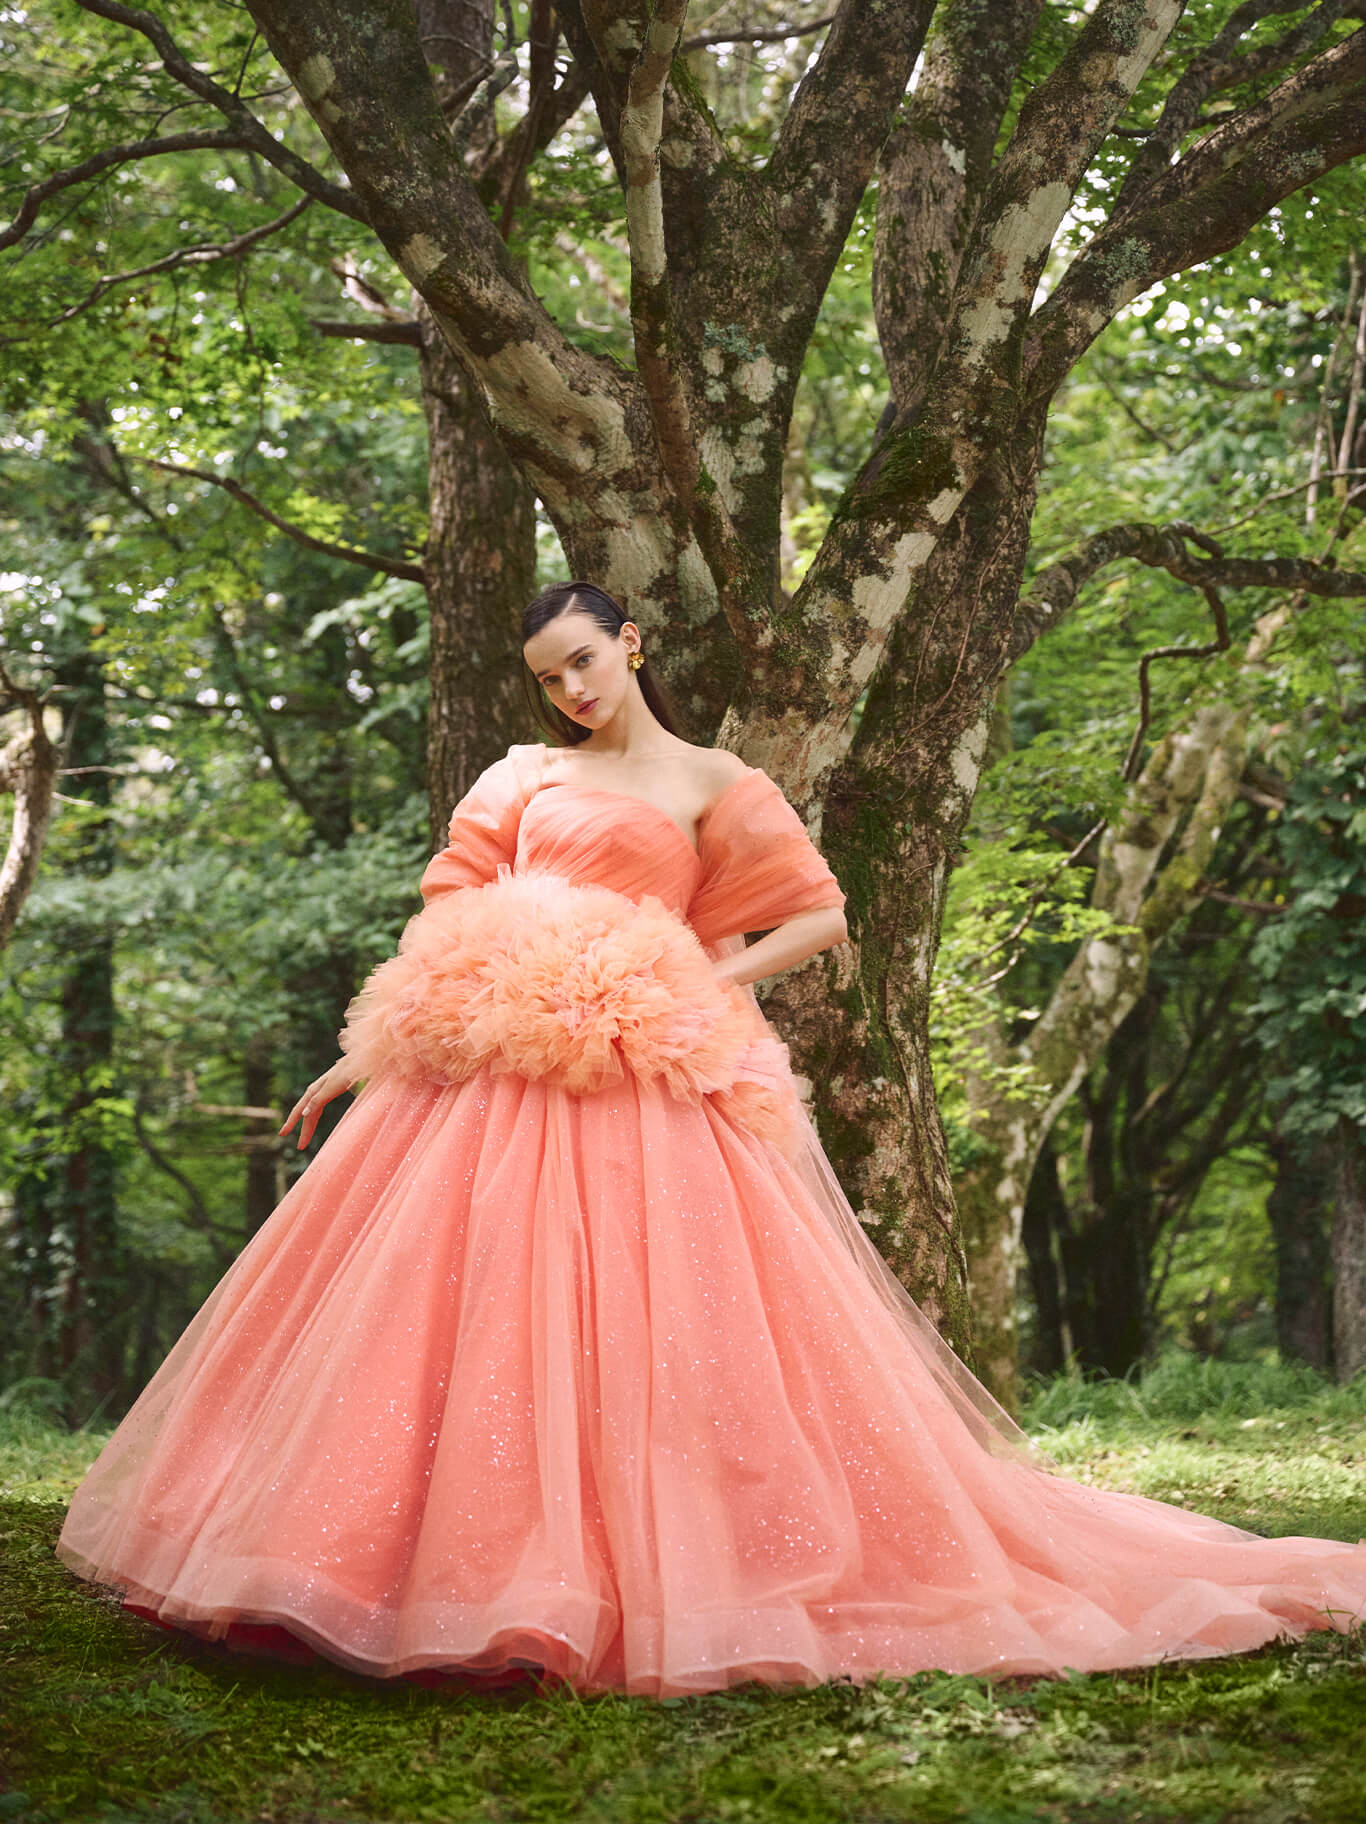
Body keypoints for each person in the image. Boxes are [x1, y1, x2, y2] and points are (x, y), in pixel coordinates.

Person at [57, 581, 1366, 1698]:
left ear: (629, 642)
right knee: (444, 1308)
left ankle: (632, 1570)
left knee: (650, 1323)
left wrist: (686, 979)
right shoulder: (521, 777)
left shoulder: (714, 783)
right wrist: (359, 1057)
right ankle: (362, 1566)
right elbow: (448, 931)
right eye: (547, 676)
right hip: (481, 1084)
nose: (569, 689)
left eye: (583, 659)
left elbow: (819, 916)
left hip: (642, 1081)